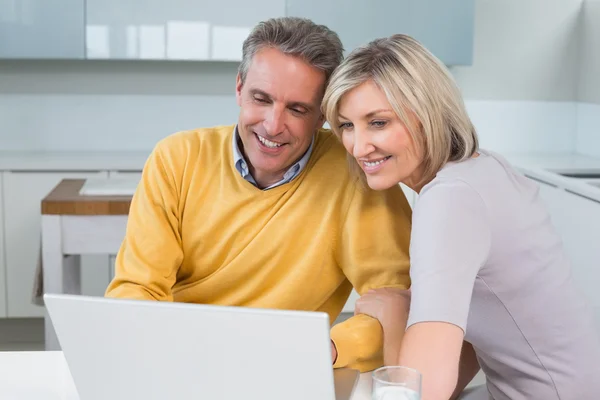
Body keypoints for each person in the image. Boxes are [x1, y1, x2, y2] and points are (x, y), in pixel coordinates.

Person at [104, 17, 413, 373]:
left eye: (297, 109)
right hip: (177, 357)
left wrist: (325, 349)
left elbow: (396, 301)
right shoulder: (176, 158)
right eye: (261, 99)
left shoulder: (354, 172)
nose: (272, 125)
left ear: (323, 116)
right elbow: (137, 289)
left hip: (283, 368)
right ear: (239, 88)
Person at [322, 34, 600, 399]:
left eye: (378, 123)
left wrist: (394, 318)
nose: (358, 147)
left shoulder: (450, 200)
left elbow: (422, 394)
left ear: (426, 114)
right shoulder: (485, 167)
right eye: (346, 125)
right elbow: (466, 352)